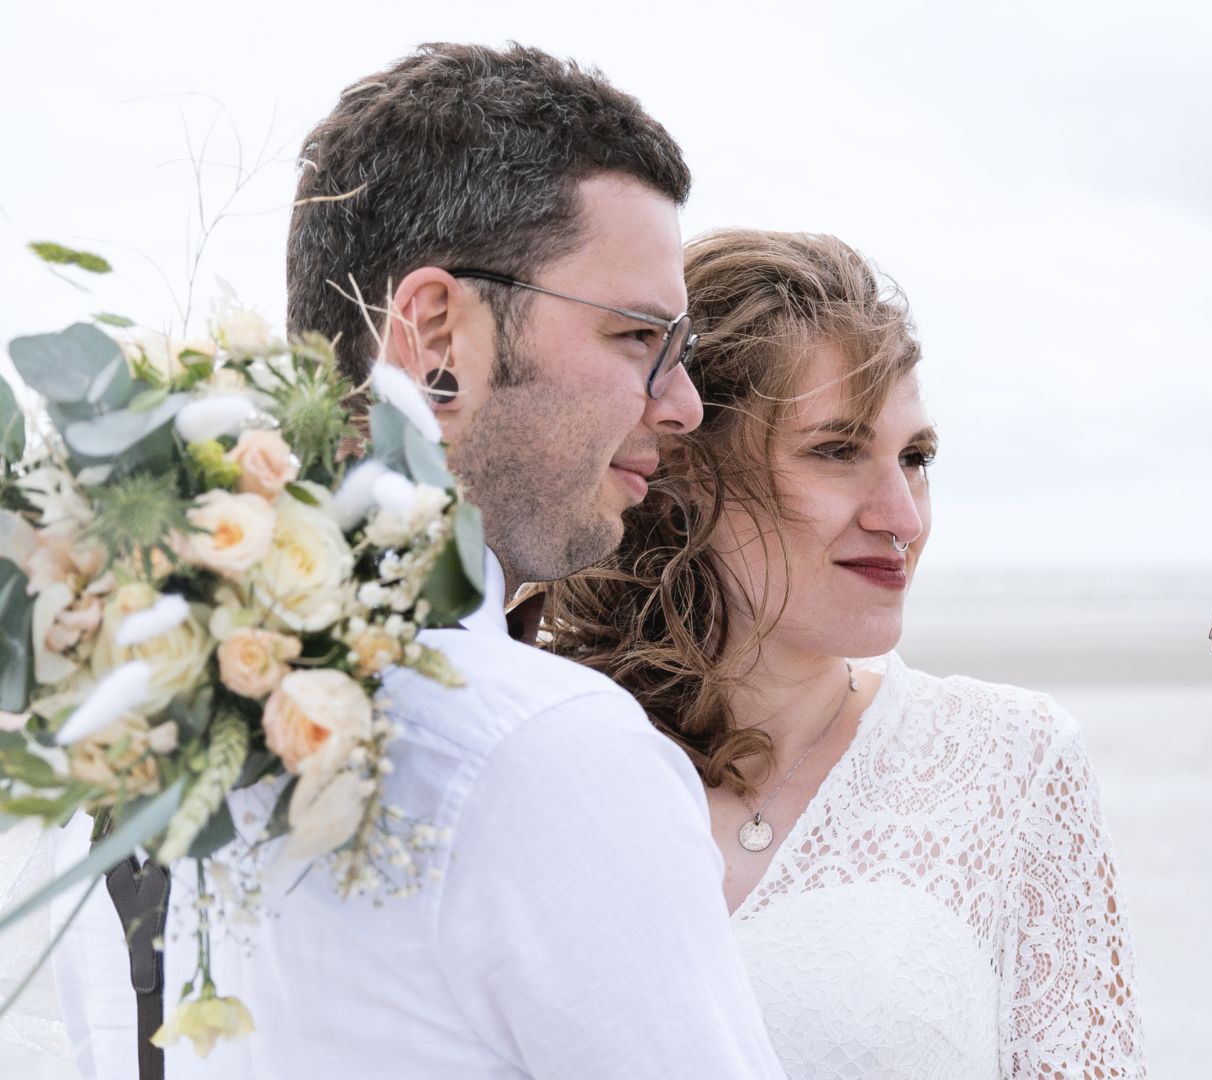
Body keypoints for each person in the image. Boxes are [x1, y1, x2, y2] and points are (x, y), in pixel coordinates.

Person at [50, 44, 786, 1080]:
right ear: (437, 334)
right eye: (637, 338)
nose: (683, 405)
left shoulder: (127, 724)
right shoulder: (544, 752)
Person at [540, 229, 1150, 1078]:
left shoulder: (1009, 761)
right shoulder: (545, 752)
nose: (902, 516)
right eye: (836, 451)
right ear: (683, 469)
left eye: (916, 459)